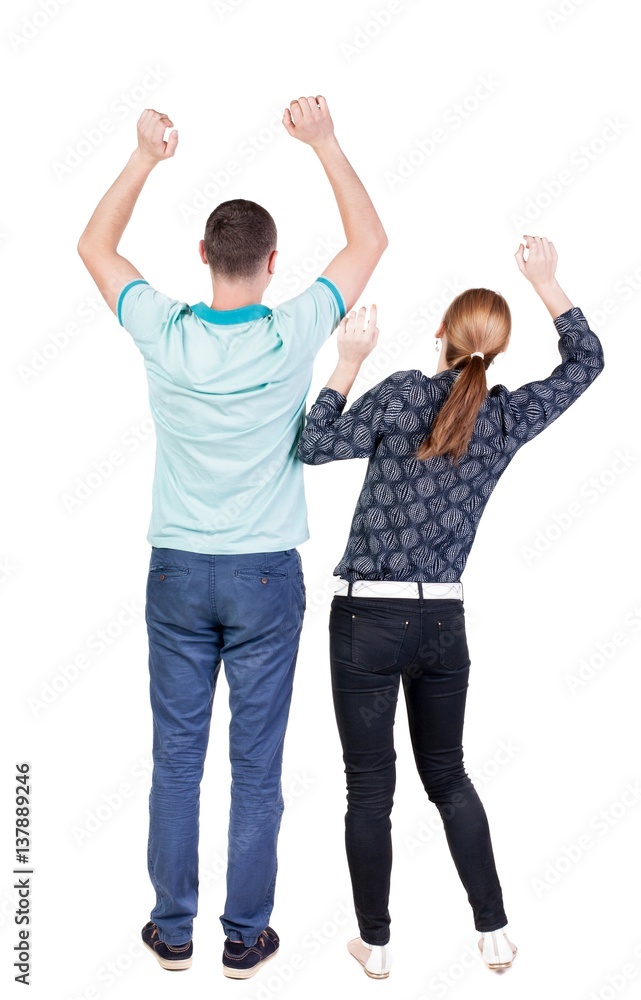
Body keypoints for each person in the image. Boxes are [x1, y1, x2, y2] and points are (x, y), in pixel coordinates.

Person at [77, 97, 387, 979]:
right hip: (262, 578)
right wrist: (324, 141)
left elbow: (95, 248)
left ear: (203, 256)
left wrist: (144, 157)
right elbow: (369, 242)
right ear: (273, 262)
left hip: (176, 573)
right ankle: (244, 939)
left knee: (176, 761)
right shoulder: (292, 331)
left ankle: (172, 931)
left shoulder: (163, 328)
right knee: (256, 768)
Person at [297, 237, 604, 979]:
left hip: (365, 621)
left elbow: (312, 444)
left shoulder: (403, 392)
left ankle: (375, 945)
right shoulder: (502, 418)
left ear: (440, 333)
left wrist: (347, 359)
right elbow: (586, 363)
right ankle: (493, 934)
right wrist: (547, 282)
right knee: (449, 776)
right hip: (442, 624)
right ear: (495, 352)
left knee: (369, 787)